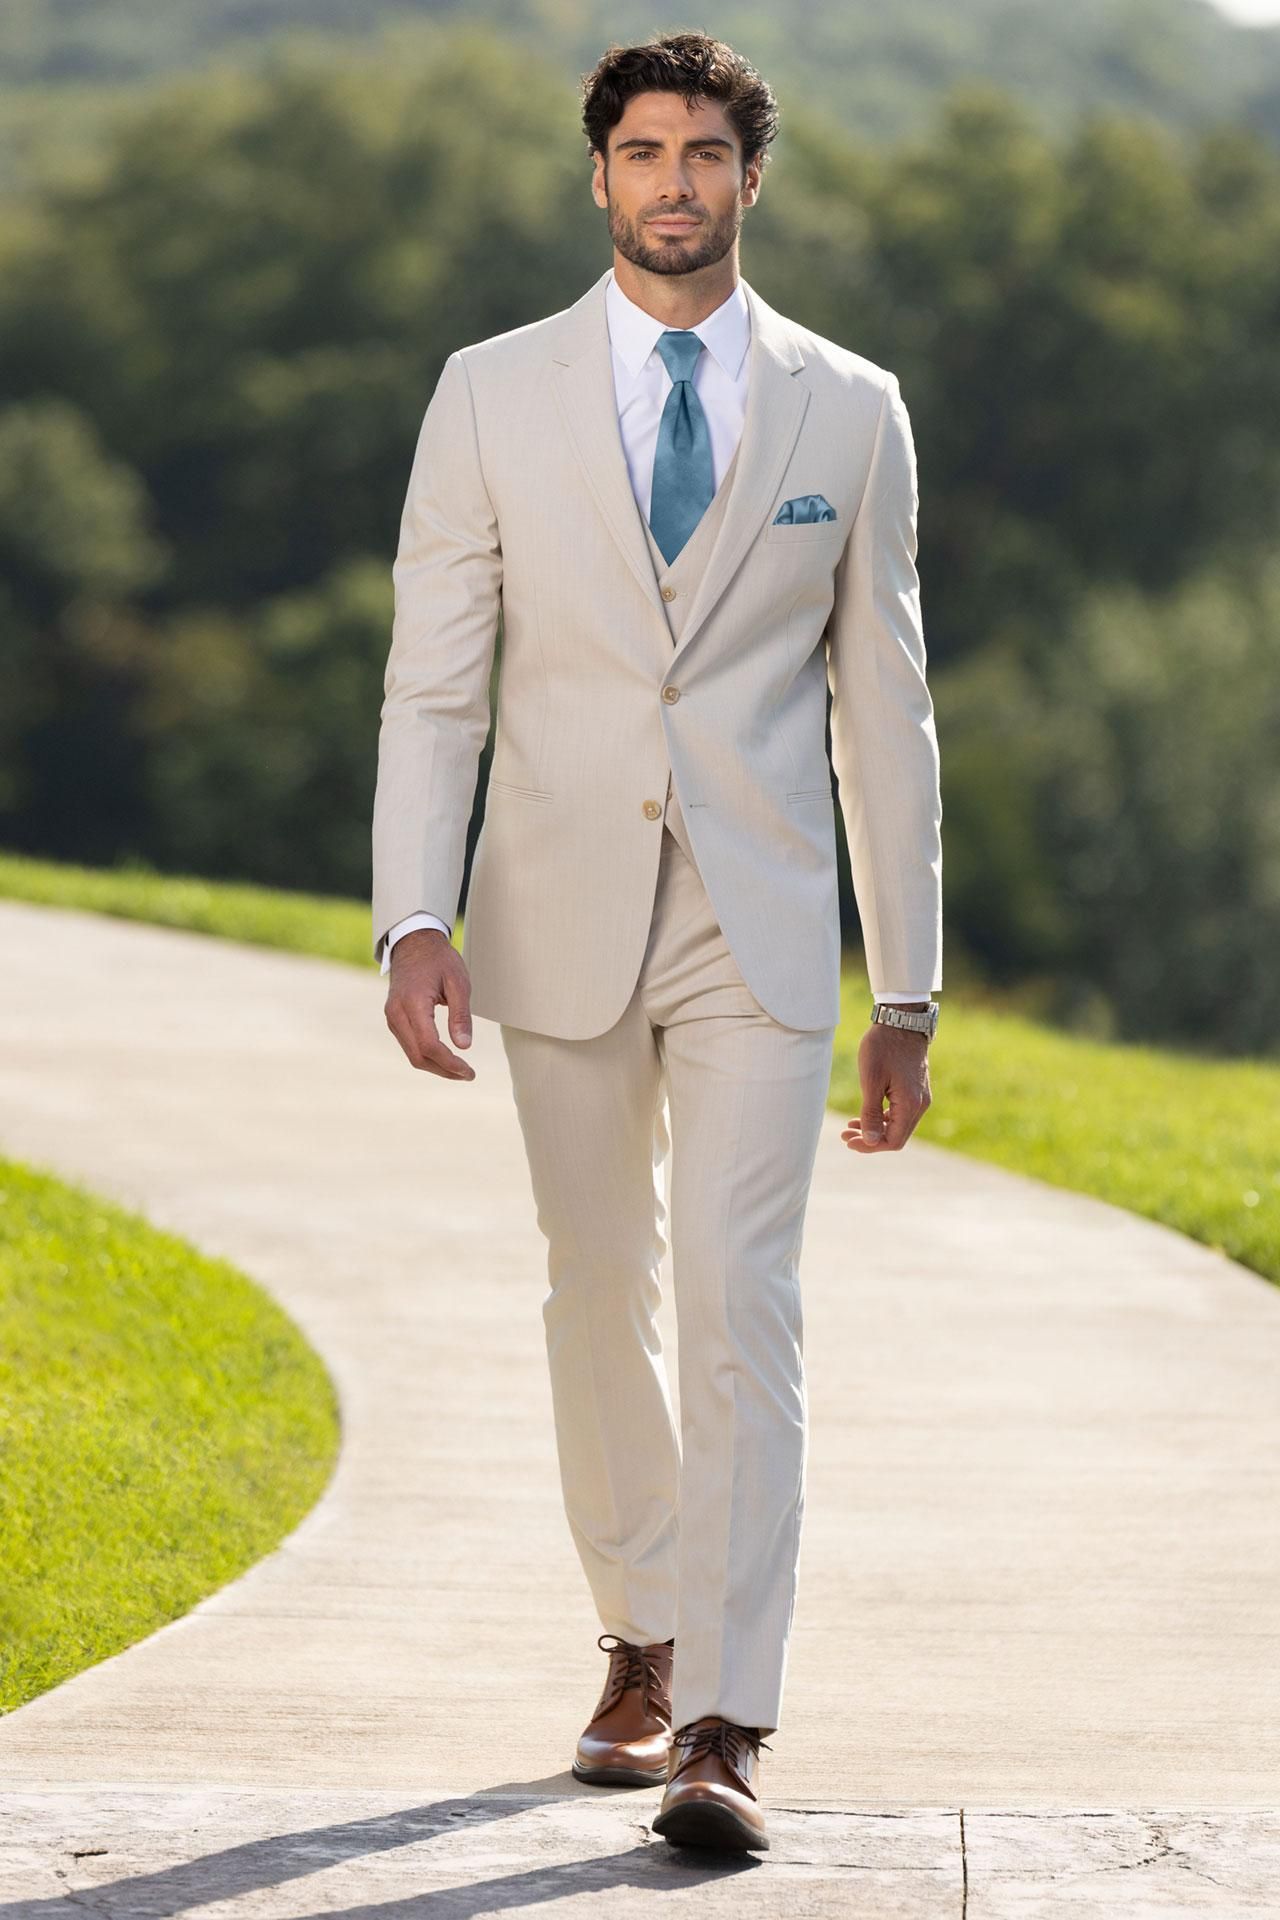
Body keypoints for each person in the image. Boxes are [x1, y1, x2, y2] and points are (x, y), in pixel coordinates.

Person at [371, 30, 942, 1855]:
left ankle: (725, 1722)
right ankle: (641, 1633)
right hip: (555, 908)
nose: (674, 183)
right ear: (600, 176)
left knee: (739, 1299)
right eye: (643, 152)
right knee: (595, 1282)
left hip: (759, 922)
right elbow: (435, 680)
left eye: (704, 153)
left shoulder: (850, 408)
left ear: (749, 179)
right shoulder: (488, 394)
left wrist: (907, 989)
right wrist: (414, 915)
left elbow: (887, 711)